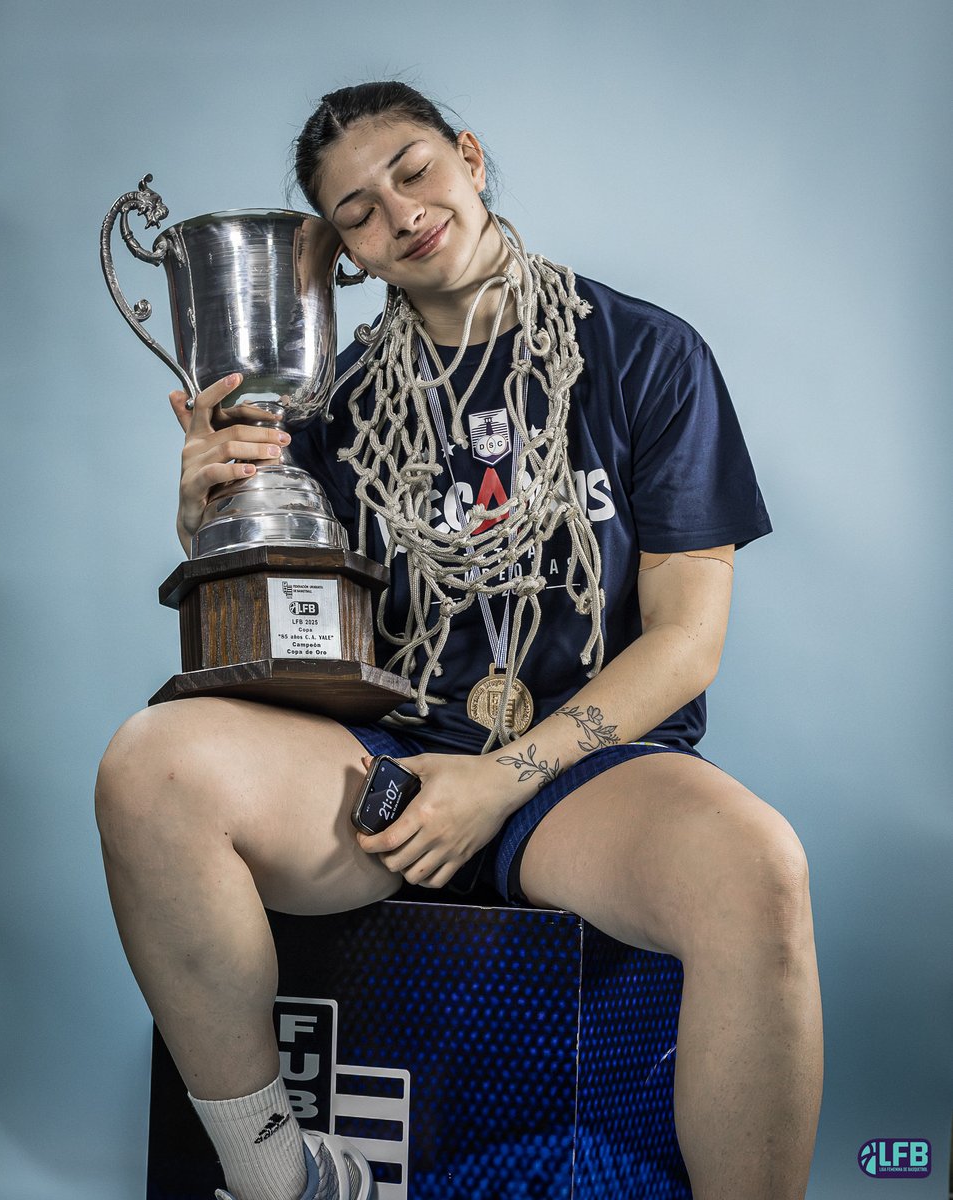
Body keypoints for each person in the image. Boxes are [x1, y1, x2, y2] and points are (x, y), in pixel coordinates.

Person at [95, 81, 823, 1200]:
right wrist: (211, 522)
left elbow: (685, 644)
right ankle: (279, 1177)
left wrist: (500, 782)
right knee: (151, 762)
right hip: (386, 770)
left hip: (585, 776)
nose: (397, 211)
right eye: (354, 210)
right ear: (345, 256)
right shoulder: (328, 403)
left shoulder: (643, 352)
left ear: (469, 158)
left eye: (411, 168)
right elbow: (288, 637)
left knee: (754, 868)